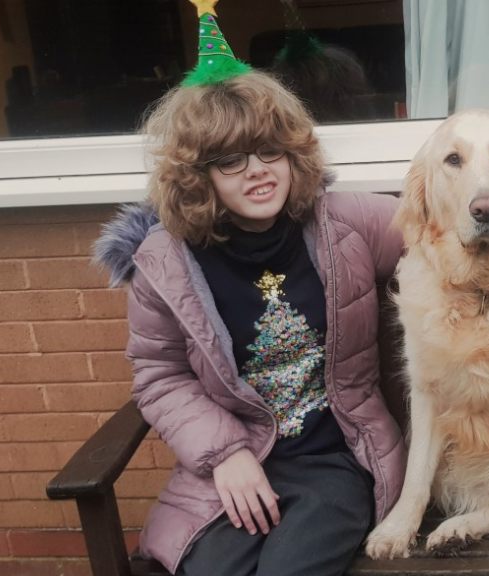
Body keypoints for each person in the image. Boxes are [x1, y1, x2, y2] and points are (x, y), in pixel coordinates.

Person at [93, 4, 405, 574]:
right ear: (198, 175)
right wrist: (226, 453)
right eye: (230, 160)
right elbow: (159, 374)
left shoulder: (350, 224)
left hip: (334, 457)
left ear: (292, 152)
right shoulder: (166, 262)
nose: (257, 170)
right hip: (233, 461)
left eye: (269, 151)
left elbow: (442, 239)